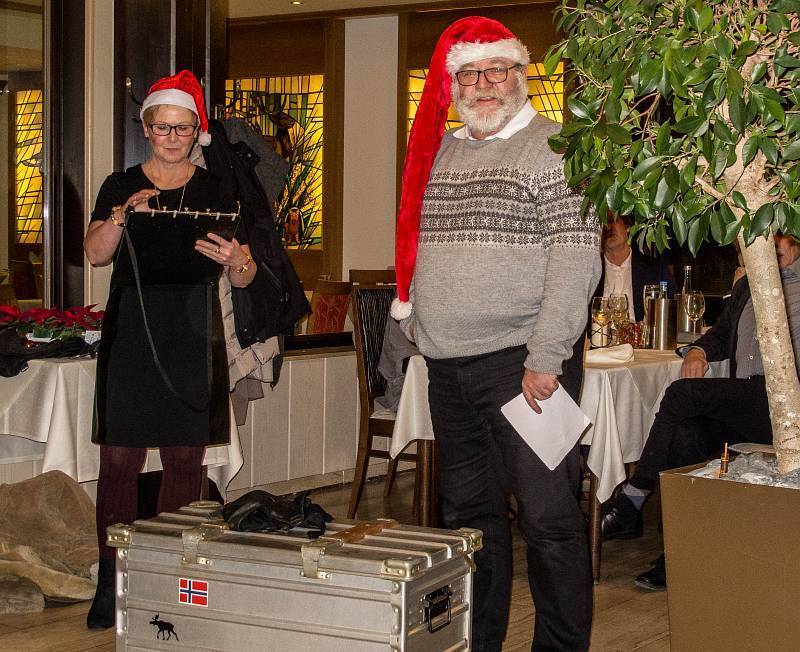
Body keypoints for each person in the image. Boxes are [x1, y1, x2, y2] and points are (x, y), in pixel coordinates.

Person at [391, 17, 601, 651]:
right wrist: (420, 326)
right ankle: (477, 643)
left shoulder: (557, 148)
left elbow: (575, 259)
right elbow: (416, 242)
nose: (483, 84)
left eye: (496, 71)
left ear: (520, 75)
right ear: (453, 85)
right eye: (470, 75)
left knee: (549, 521)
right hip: (449, 369)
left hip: (523, 368)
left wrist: (548, 356)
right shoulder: (442, 151)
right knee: (469, 524)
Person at [83, 70, 256, 629]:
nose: (173, 137)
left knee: (184, 460)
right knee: (118, 461)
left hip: (192, 332)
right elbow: (96, 254)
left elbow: (246, 274)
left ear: (196, 129)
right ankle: (112, 579)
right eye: (163, 127)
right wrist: (121, 214)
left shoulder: (217, 189)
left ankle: (168, 576)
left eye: (183, 128)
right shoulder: (120, 183)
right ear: (147, 129)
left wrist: (238, 262)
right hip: (132, 332)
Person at [600, 233, 800, 591]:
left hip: (786, 406)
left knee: (683, 393)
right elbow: (720, 334)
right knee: (685, 434)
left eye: (778, 236)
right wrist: (698, 352)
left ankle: (633, 497)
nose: (769, 245)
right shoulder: (747, 286)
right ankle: (677, 556)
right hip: (746, 405)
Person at [595, 211, 676, 321]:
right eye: (601, 223)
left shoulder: (655, 269)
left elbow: (672, 312)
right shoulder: (590, 272)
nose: (607, 227)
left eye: (611, 220)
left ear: (627, 227)